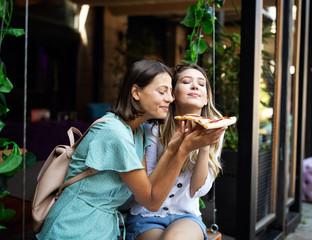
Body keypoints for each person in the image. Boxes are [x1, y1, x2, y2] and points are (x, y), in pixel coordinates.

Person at [36, 59, 226, 240]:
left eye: (170, 92)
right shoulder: (115, 132)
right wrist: (183, 150)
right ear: (136, 92)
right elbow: (151, 202)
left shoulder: (136, 134)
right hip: (73, 227)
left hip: (103, 230)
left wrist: (171, 149)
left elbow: (149, 188)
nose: (169, 98)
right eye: (162, 92)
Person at [125, 64, 224, 240]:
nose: (195, 86)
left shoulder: (216, 130)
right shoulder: (152, 130)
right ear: (173, 95)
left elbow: (197, 190)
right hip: (146, 215)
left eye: (201, 84)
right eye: (186, 82)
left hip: (186, 215)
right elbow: (145, 187)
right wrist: (178, 149)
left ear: (206, 99)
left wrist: (205, 143)